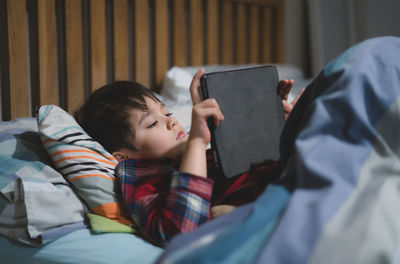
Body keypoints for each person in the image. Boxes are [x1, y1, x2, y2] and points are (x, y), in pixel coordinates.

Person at [74, 69, 304, 246]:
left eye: (168, 113)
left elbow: (255, 163)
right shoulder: (139, 174)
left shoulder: (190, 155)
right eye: (153, 123)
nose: (172, 122)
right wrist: (196, 141)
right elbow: (181, 230)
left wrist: (282, 126)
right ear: (123, 155)